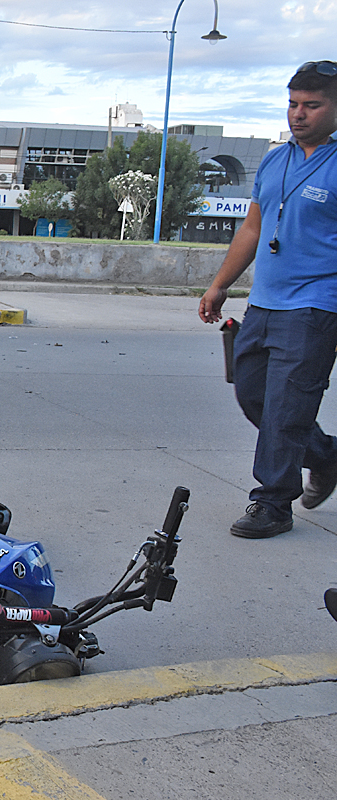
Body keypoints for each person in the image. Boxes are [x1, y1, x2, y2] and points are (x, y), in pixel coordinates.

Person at [199, 61, 337, 538]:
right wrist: (220, 284)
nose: (299, 115)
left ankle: (274, 503)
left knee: (285, 408)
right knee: (252, 392)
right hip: (265, 301)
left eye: (312, 106)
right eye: (293, 104)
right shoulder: (277, 159)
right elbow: (254, 229)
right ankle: (326, 455)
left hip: (318, 305)